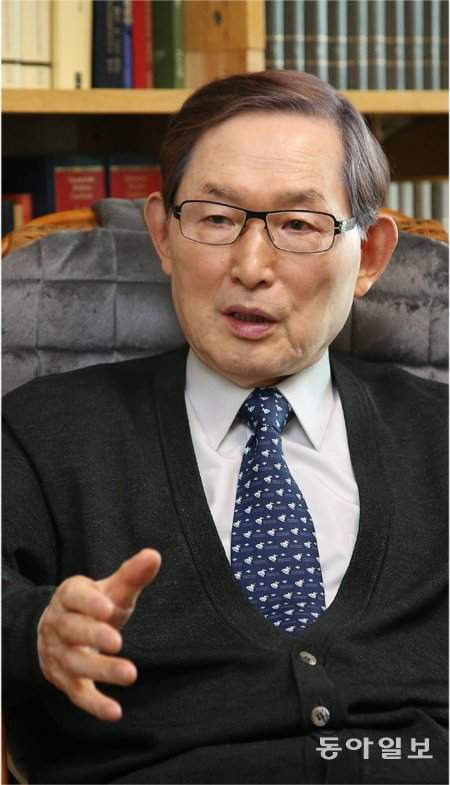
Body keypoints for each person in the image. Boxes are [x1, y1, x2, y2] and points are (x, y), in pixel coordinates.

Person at [3, 70, 447, 785]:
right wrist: (35, 633)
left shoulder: (439, 436)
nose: (250, 266)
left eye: (298, 225)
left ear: (369, 256)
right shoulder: (41, 432)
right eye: (215, 218)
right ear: (163, 234)